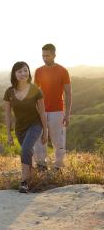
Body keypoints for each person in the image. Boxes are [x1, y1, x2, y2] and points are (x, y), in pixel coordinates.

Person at [4, 61, 47, 193]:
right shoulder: (9, 92)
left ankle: (24, 182)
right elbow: (7, 115)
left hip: (35, 125)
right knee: (27, 152)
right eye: (19, 71)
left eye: (25, 70)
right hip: (20, 129)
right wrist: (9, 134)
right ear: (14, 74)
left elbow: (42, 111)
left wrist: (45, 131)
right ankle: (32, 177)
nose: (23, 73)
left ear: (29, 72)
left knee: (25, 149)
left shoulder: (35, 89)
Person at [34, 43, 72, 171]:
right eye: (43, 55)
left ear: (54, 55)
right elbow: (35, 93)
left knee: (58, 140)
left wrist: (67, 114)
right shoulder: (38, 71)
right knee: (39, 139)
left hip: (57, 111)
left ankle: (58, 166)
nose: (45, 58)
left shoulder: (63, 71)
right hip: (41, 111)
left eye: (47, 55)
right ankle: (41, 165)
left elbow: (68, 93)